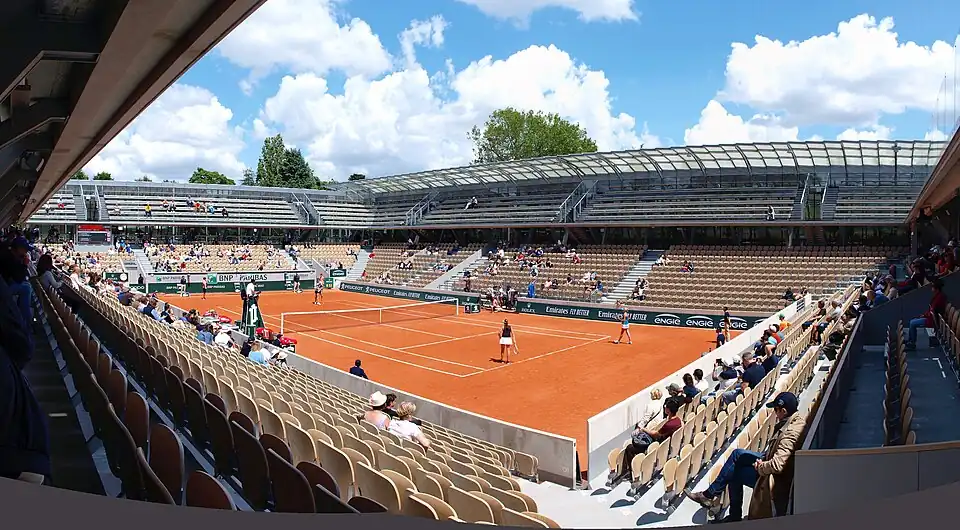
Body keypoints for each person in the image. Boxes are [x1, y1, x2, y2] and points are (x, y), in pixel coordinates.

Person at [685, 392, 806, 522]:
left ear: (783, 410)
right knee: (737, 454)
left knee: (734, 473)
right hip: (769, 456)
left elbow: (778, 465)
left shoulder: (790, 434)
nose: (774, 413)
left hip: (773, 478)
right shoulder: (796, 420)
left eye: (776, 410)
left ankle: (730, 513)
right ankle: (710, 494)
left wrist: (761, 467)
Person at [606, 396, 684, 491]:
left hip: (657, 443)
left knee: (630, 448)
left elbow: (656, 434)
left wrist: (643, 429)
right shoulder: (678, 421)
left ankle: (632, 473)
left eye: (666, 408)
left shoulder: (669, 424)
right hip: (665, 443)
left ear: (668, 410)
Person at [905, 278, 946, 350]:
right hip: (930, 317)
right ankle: (910, 341)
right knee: (913, 321)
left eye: (932, 287)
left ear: (936, 288)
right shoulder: (937, 296)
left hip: (932, 320)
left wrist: (925, 315)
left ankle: (912, 343)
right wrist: (924, 315)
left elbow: (932, 312)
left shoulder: (940, 298)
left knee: (912, 323)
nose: (931, 288)